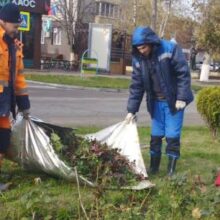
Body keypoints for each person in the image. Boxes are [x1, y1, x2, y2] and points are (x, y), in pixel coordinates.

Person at [125, 26, 194, 176]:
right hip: (155, 102)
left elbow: (183, 74)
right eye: (138, 48)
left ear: (150, 42)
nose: (141, 50)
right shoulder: (138, 58)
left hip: (174, 102)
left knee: (172, 136)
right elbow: (137, 85)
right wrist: (132, 110)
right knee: (155, 136)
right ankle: (154, 168)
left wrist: (182, 97)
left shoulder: (170, 49)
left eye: (143, 47)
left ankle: (171, 171)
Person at [0, 3, 30, 189]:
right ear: (2, 21)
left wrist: (24, 103)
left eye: (18, 26)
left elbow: (18, 77)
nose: (16, 30)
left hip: (4, 103)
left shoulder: (15, 46)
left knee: (3, 139)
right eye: (14, 26)